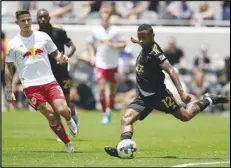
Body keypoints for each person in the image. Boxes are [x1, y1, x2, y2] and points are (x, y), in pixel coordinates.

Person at [104, 24, 228, 157]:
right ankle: (122, 148)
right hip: (143, 96)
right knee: (126, 119)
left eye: (144, 38)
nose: (141, 40)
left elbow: (171, 70)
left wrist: (181, 92)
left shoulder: (155, 52)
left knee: (185, 116)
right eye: (140, 37)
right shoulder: (145, 44)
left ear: (152, 37)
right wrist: (137, 41)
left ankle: (208, 99)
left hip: (159, 95)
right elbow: (143, 43)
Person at [5, 10, 78, 152]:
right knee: (51, 115)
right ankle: (68, 143)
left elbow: (55, 53)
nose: (26, 23)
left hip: (49, 81)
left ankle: (69, 119)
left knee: (62, 109)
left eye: (28, 20)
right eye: (23, 21)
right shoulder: (13, 43)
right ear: (17, 23)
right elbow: (8, 68)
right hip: (31, 86)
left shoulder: (42, 36)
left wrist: (61, 58)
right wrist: (9, 90)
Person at [36, 9, 78, 142]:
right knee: (54, 105)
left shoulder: (59, 31)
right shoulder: (35, 35)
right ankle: (63, 132)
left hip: (61, 71)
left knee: (66, 102)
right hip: (46, 74)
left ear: (49, 18)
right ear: (37, 19)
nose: (42, 19)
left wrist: (67, 56)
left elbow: (72, 46)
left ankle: (74, 120)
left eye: (44, 17)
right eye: (40, 17)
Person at [87, 7, 126, 124]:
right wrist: (92, 56)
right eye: (103, 16)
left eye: (107, 16)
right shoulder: (95, 30)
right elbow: (89, 43)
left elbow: (123, 44)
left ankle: (110, 109)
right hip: (101, 63)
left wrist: (113, 45)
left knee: (112, 90)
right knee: (102, 88)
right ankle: (105, 112)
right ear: (100, 17)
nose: (105, 18)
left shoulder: (116, 31)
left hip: (113, 63)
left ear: (110, 18)